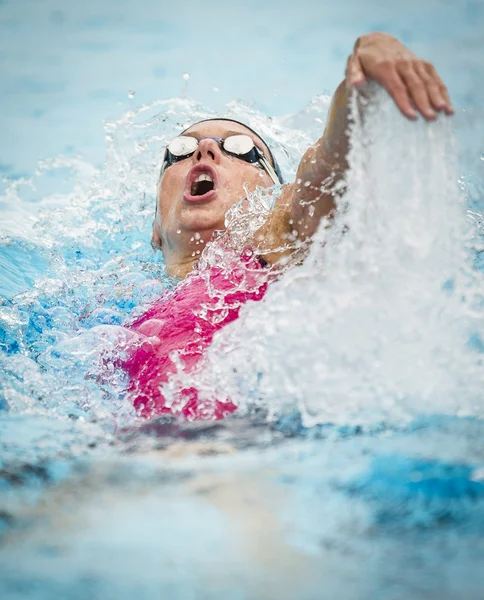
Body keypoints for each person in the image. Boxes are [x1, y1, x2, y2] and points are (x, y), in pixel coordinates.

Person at [122, 32, 454, 420]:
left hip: (228, 453)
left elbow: (325, 172)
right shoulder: (118, 302)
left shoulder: (269, 248)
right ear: (155, 229)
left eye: (243, 151)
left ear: (273, 197)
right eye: (176, 152)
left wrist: (365, 68)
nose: (204, 150)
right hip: (125, 451)